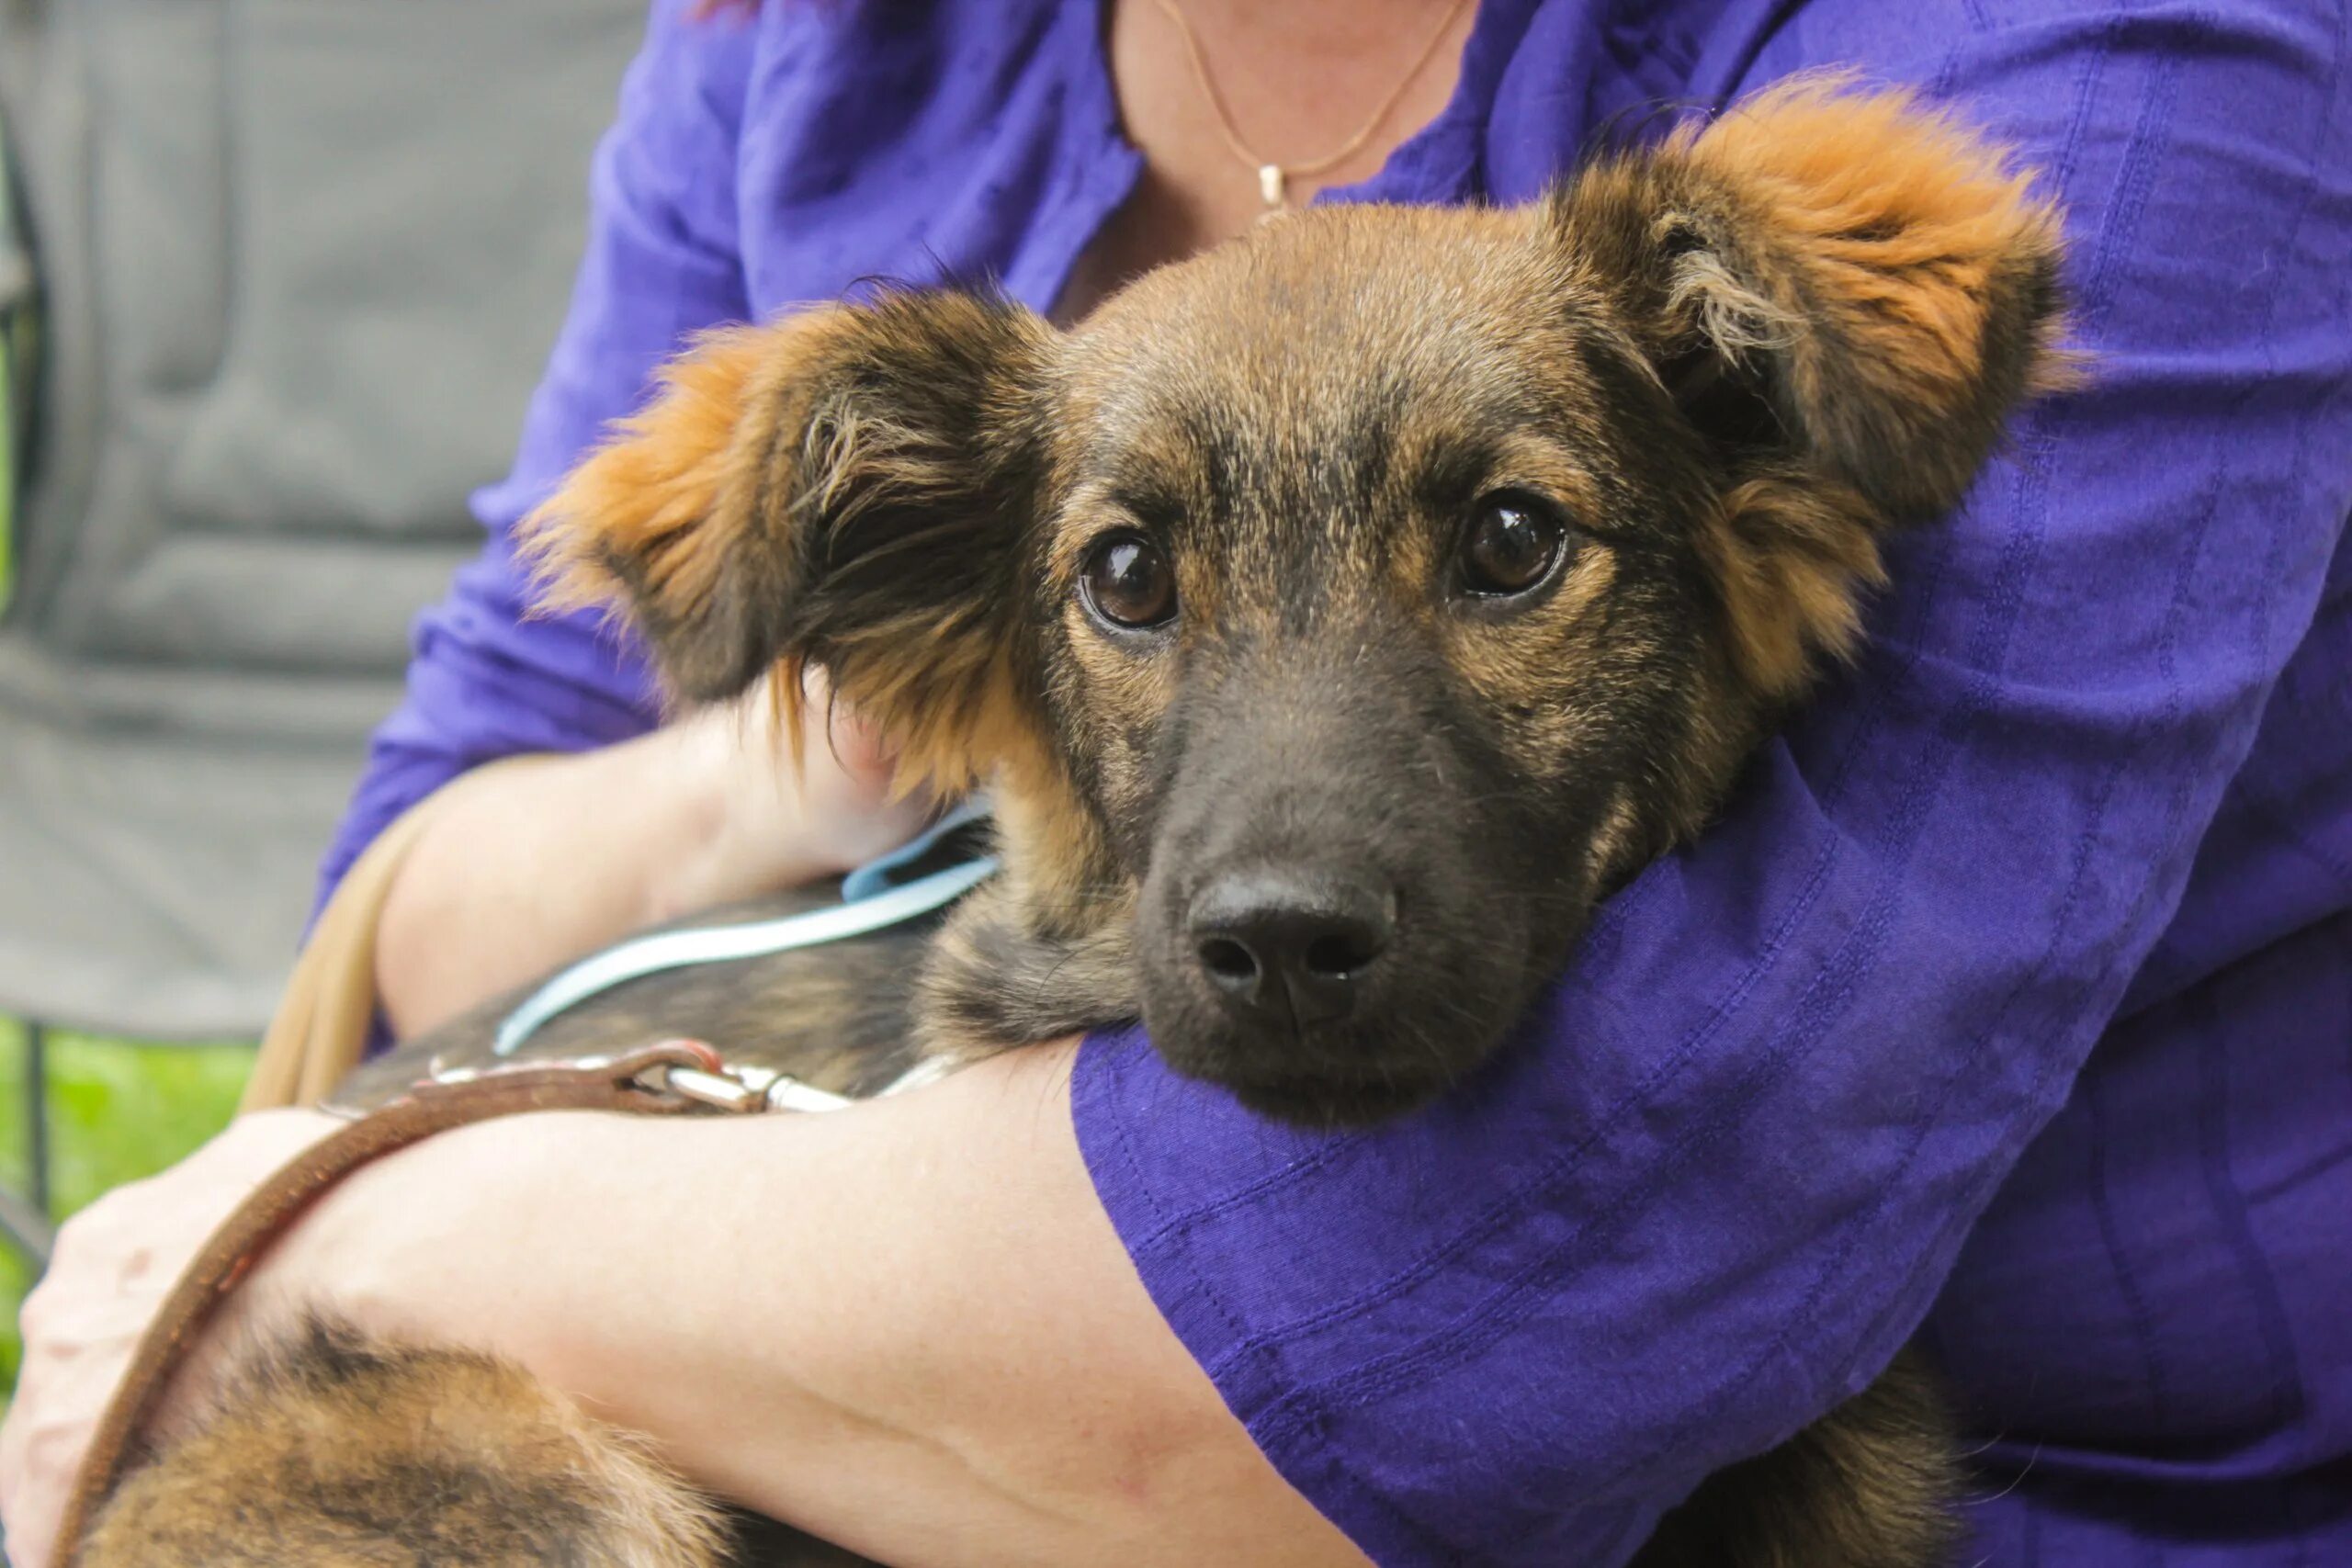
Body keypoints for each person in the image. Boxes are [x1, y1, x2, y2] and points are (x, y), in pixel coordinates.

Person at [6, 1, 2348, 1564]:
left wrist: (359, 1228)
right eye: (1134, 580)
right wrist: (828, 731)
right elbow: (436, 852)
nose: (1290, 861)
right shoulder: (813, 44)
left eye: (1508, 545)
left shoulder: (2084, 64)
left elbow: (1594, 1258)